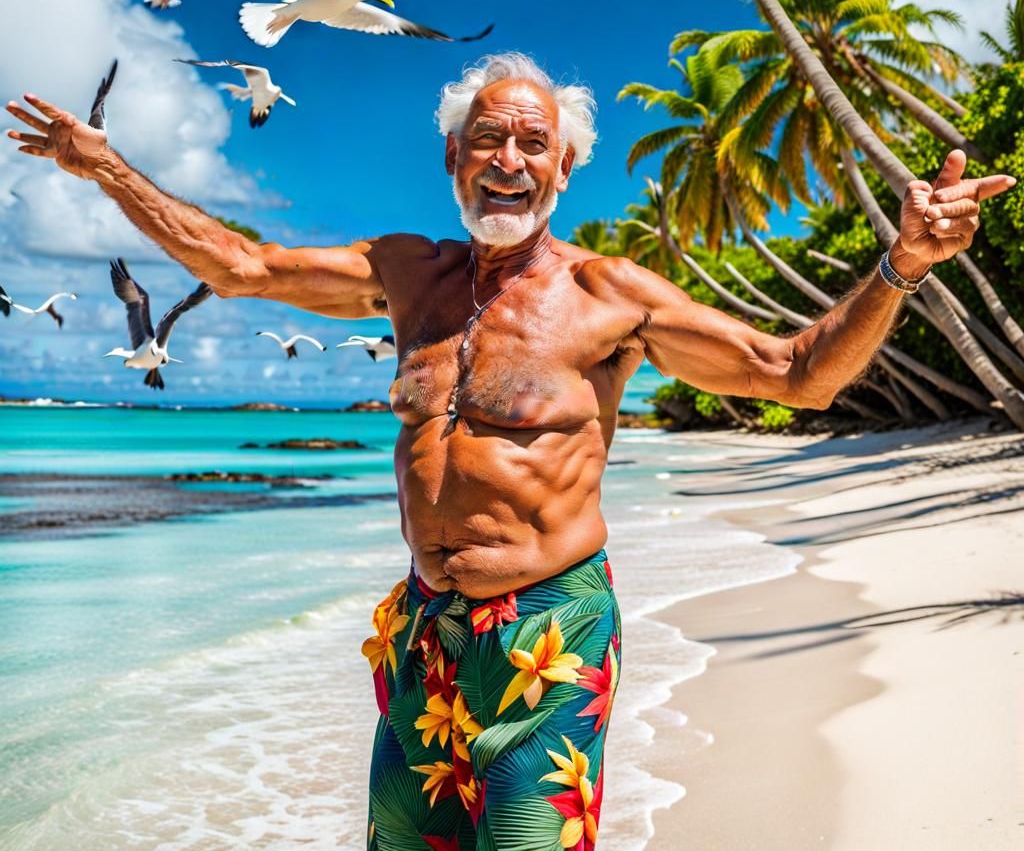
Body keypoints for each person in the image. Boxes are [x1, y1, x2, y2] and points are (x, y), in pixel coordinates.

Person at [5, 52, 1014, 849]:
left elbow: (794, 371)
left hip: (549, 637)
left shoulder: (608, 296)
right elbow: (234, 262)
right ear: (453, 159)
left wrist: (899, 264)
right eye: (487, 139)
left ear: (566, 166)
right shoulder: (403, 274)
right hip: (422, 634)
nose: (509, 159)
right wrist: (102, 166)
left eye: (533, 143)